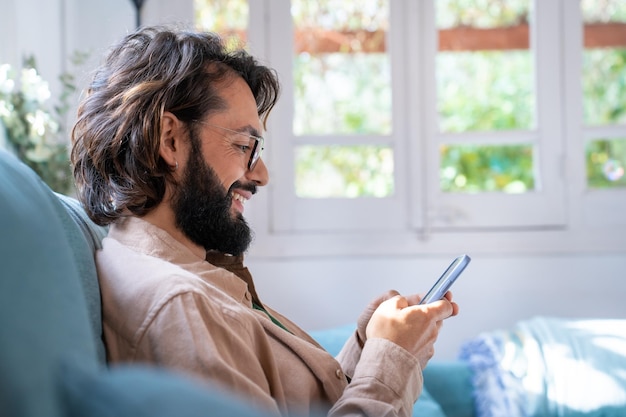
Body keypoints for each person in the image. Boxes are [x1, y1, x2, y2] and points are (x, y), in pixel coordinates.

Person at [70, 25, 459, 417]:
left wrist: (371, 345)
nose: (261, 175)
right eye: (243, 146)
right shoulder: (181, 307)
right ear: (170, 140)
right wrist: (390, 364)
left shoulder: (192, 273)